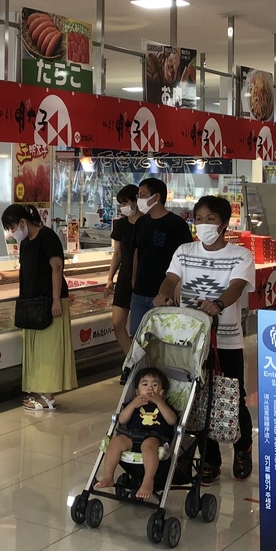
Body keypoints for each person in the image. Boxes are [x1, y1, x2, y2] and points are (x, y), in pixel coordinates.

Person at [155, 195, 255, 483]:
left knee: (232, 395)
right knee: (197, 398)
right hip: (189, 339)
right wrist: (163, 294)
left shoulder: (240, 255)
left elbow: (236, 286)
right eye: (199, 219)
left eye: (210, 219)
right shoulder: (185, 251)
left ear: (223, 224)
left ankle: (243, 446)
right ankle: (210, 459)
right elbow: (171, 279)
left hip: (226, 340)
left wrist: (219, 304)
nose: (203, 224)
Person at [0, 203, 77, 411]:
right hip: (32, 303)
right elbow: (27, 269)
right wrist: (4, 275)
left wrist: (56, 299)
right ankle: (41, 391)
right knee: (37, 351)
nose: (12, 232)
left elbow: (56, 267)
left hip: (48, 301)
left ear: (23, 222)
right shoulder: (26, 243)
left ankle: (48, 397)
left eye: (13, 227)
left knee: (49, 350)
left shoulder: (47, 236)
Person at [94, 368, 177, 499]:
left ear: (162, 392)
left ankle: (148, 480)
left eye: (155, 385)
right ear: (137, 391)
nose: (150, 388)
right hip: (131, 436)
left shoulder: (164, 406)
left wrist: (159, 402)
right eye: (145, 384)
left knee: (148, 445)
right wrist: (133, 405)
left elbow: (172, 421)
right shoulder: (132, 404)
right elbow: (122, 420)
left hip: (155, 437)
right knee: (115, 442)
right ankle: (108, 476)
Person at [129, 177, 192, 336]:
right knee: (137, 338)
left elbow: (186, 257)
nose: (139, 200)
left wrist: (179, 286)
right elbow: (136, 251)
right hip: (140, 292)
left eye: (143, 195)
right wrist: (134, 279)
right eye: (138, 195)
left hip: (164, 295)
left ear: (156, 197)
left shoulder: (176, 224)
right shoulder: (141, 222)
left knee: (164, 339)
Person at [107, 184, 140, 377]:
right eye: (121, 204)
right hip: (124, 278)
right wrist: (110, 278)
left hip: (143, 280)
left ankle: (140, 367)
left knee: (140, 328)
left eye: (125, 202)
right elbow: (117, 253)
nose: (123, 207)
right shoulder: (120, 225)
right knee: (117, 322)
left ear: (136, 201)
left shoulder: (147, 223)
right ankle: (131, 361)